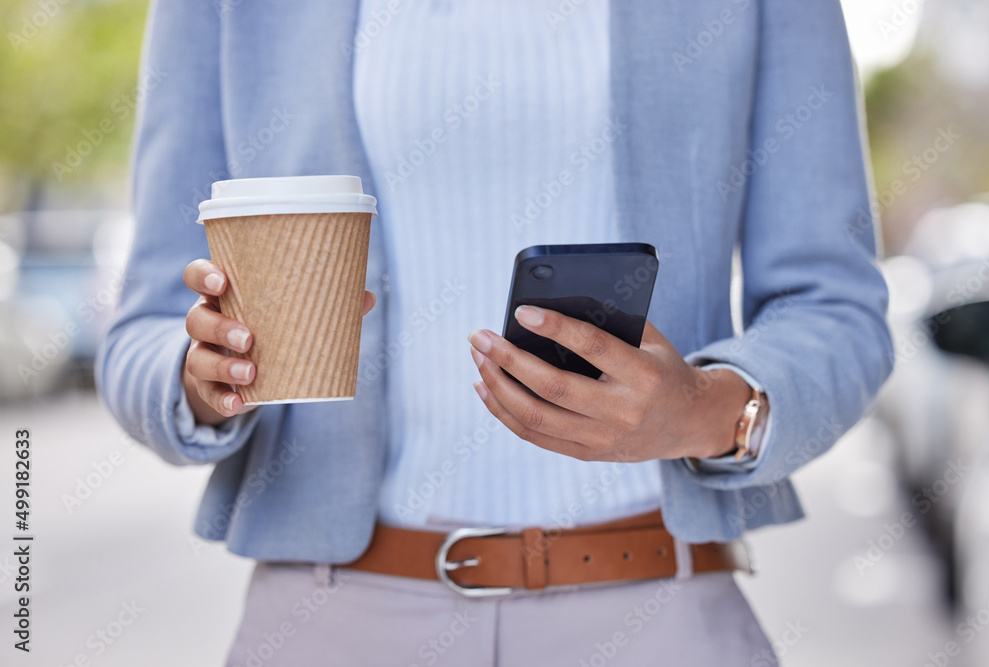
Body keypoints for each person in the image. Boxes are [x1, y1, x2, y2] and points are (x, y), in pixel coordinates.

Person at [96, 0, 894, 664]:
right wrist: (202, 377)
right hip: (334, 621)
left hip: (658, 616)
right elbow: (144, 330)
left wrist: (707, 408)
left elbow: (838, 304)